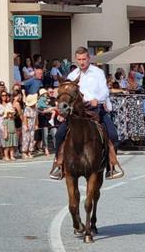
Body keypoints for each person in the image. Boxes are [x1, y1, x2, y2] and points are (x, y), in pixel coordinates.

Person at [49, 47, 124, 180]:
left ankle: (110, 167)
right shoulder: (72, 76)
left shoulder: (98, 72)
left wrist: (97, 99)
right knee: (59, 135)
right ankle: (59, 165)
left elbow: (105, 91)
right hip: (77, 112)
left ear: (88, 58)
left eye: (84, 59)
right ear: (76, 60)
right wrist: (62, 109)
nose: (82, 62)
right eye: (79, 59)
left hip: (94, 110)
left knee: (112, 134)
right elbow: (66, 95)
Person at [21, 93, 38, 159]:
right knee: (26, 139)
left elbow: (36, 117)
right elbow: (25, 117)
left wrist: (36, 124)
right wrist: (26, 126)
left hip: (33, 123)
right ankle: (24, 152)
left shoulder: (35, 108)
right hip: (27, 124)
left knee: (31, 138)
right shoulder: (27, 108)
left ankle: (29, 151)